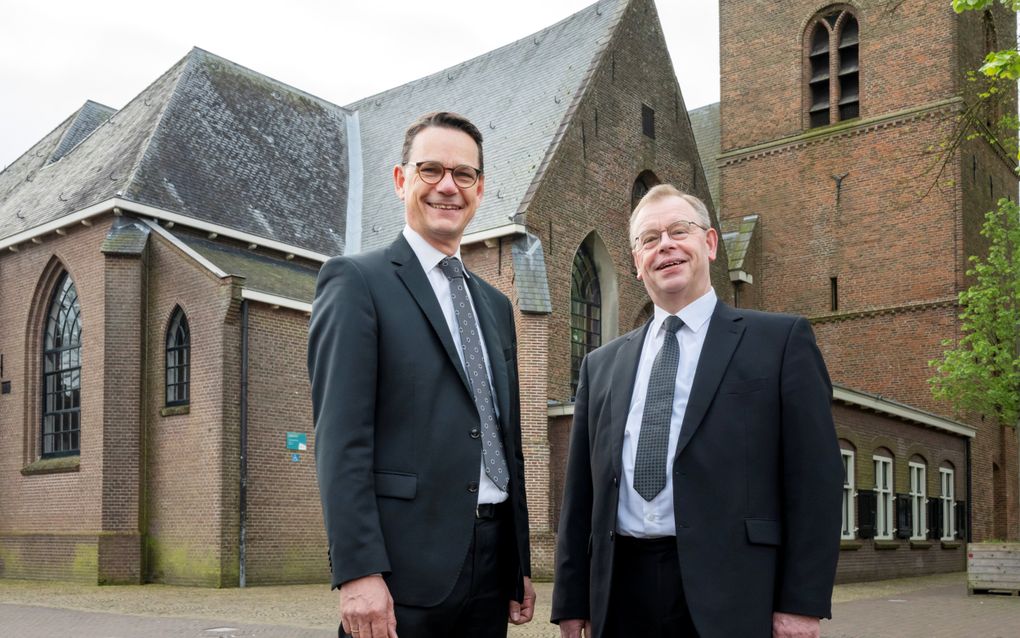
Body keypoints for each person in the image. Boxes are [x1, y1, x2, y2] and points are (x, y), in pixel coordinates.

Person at [551, 185, 842, 638]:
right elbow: (581, 496)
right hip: (620, 594)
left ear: (709, 244)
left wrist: (801, 603)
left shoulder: (780, 343)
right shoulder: (601, 365)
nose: (664, 244)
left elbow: (815, 480)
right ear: (636, 263)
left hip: (734, 594)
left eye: (678, 231)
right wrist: (572, 603)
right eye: (648, 239)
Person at [308, 111, 536, 638]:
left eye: (463, 175)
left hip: (490, 563)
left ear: (480, 189)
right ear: (400, 179)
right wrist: (358, 571)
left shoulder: (496, 306)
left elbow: (507, 436)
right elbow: (341, 440)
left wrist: (517, 558)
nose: (447, 187)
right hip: (401, 572)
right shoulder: (356, 282)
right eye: (430, 170)